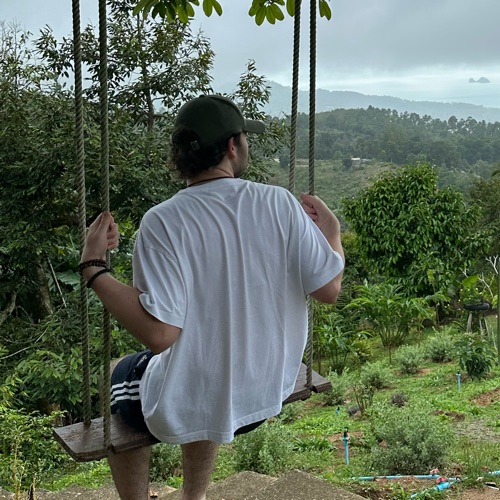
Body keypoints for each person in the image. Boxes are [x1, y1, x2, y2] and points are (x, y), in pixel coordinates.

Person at [79, 94, 344, 500]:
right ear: (232, 146)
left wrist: (94, 268)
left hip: (204, 399)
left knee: (121, 372)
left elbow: (160, 334)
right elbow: (329, 289)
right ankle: (195, 495)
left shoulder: (163, 221)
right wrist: (332, 232)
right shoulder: (279, 203)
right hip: (267, 390)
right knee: (199, 366)